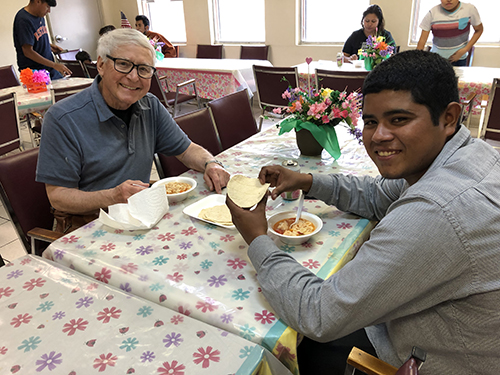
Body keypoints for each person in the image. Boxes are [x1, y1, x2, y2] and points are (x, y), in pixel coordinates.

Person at [226, 50, 500, 375]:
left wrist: (257, 238)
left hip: (425, 360)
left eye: (399, 120)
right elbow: (376, 196)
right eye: (370, 122)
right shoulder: (470, 154)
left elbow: (318, 313)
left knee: (281, 345)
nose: (379, 136)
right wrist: (307, 181)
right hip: (431, 331)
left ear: (449, 117)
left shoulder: (437, 211)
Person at [36, 28, 229, 233]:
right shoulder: (63, 118)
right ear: (101, 65)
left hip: (141, 217)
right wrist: (114, 196)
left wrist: (211, 164)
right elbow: (58, 197)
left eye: (144, 69)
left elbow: (186, 149)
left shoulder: (150, 106)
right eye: (124, 64)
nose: (134, 77)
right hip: (89, 225)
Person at [13, 0, 71, 80]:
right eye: (47, 6)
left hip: (48, 69)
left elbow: (34, 40)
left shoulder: (39, 16)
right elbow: (28, 51)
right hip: (35, 73)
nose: (49, 11)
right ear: (38, 1)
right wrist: (54, 65)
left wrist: (49, 46)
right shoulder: (23, 20)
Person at [416, 0, 483, 66]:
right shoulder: (432, 13)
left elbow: (479, 30)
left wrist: (465, 49)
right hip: (437, 60)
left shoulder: (469, 9)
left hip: (459, 59)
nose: (448, 0)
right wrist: (417, 61)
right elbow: (422, 41)